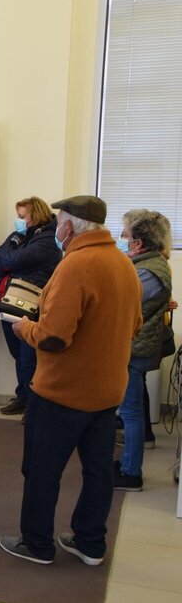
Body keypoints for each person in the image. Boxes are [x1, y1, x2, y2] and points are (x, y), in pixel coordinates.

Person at [0, 195, 142, 567]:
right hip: (108, 391)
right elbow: (136, 325)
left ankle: (37, 544)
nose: (57, 226)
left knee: (42, 470)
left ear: (69, 226)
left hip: (63, 392)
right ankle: (90, 543)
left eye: (60, 219)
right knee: (97, 473)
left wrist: (23, 327)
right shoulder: (124, 264)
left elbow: (53, 337)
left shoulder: (75, 265)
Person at [0, 196, 61, 416]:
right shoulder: (19, 236)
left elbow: (9, 261)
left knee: (30, 359)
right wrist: (9, 258)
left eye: (21, 217)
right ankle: (23, 397)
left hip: (30, 309)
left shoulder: (48, 241)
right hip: (9, 306)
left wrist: (8, 260)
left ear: (35, 216)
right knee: (19, 356)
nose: (18, 221)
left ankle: (34, 406)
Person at [114, 209, 172, 492]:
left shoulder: (149, 271)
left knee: (132, 414)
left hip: (135, 349)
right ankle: (127, 464)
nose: (122, 239)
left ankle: (130, 472)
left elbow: (122, 302)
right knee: (130, 411)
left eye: (126, 235)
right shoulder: (146, 264)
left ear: (138, 243)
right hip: (134, 346)